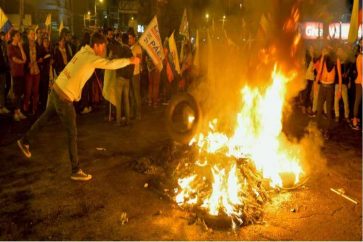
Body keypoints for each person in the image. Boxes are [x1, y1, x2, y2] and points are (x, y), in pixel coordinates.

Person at [17, 32, 140, 181]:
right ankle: (75, 169)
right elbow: (110, 65)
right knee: (72, 133)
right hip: (64, 97)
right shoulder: (91, 57)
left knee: (44, 118)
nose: (104, 49)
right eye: (103, 46)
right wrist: (130, 60)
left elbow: (97, 64)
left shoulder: (83, 51)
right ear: (96, 45)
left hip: (56, 90)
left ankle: (25, 141)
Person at [314, 45, 342, 139]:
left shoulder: (336, 59)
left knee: (329, 111)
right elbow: (319, 71)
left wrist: (339, 90)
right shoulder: (324, 58)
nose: (326, 50)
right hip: (322, 86)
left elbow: (339, 75)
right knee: (319, 109)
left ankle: (327, 131)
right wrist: (316, 83)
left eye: (328, 48)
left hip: (330, 87)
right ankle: (317, 129)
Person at [7, 29, 27, 121]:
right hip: (15, 73)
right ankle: (15, 112)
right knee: (16, 94)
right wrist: (22, 61)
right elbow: (14, 59)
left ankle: (19, 111)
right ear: (13, 37)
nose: (19, 37)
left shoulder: (19, 46)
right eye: (18, 35)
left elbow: (25, 58)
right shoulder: (10, 47)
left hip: (21, 72)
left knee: (20, 93)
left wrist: (21, 47)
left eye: (19, 35)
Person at [128, 28, 142, 120]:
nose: (129, 40)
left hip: (135, 74)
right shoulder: (129, 47)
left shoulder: (137, 48)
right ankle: (132, 113)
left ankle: (138, 114)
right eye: (128, 38)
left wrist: (132, 59)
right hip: (129, 74)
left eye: (130, 38)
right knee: (131, 94)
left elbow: (139, 60)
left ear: (134, 38)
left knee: (136, 94)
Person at [351, 39, 362, 130]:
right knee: (357, 101)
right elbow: (360, 72)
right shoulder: (359, 57)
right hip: (359, 82)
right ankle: (354, 120)